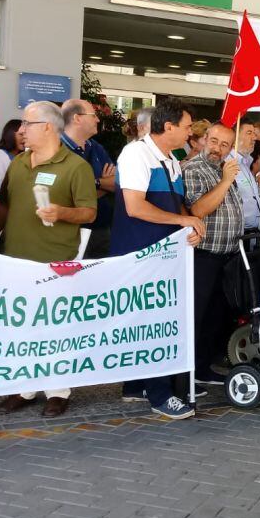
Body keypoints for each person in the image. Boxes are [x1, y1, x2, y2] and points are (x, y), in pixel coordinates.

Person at [0, 101, 97, 417]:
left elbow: (89, 212)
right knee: (20, 327)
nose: (21, 130)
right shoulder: (17, 164)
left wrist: (62, 212)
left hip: (57, 262)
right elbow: (4, 206)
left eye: (27, 124)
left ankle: (58, 391)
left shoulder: (76, 167)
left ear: (48, 127)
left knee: (55, 327)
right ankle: (25, 389)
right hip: (16, 261)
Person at [109, 97, 205, 419]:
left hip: (163, 255)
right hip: (139, 255)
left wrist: (187, 226)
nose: (191, 132)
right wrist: (182, 221)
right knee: (153, 322)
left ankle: (135, 386)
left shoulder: (173, 159)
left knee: (149, 321)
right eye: (188, 126)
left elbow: (174, 207)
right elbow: (135, 207)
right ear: (168, 127)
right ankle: (160, 395)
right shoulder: (136, 154)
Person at [182, 122, 246, 388]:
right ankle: (186, 375)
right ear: (203, 139)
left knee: (215, 317)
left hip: (227, 255)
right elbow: (198, 209)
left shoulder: (223, 168)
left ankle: (203, 367)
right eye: (214, 141)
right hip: (203, 256)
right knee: (196, 316)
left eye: (225, 145)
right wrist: (227, 180)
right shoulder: (193, 169)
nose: (218, 149)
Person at [60, 98, 117, 259]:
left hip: (101, 229)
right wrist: (101, 185)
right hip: (70, 231)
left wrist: (93, 183)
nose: (98, 119)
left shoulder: (96, 147)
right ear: (77, 118)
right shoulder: (57, 149)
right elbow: (67, 194)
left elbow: (116, 183)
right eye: (93, 115)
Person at [232, 119, 260, 232]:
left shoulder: (245, 163)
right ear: (235, 136)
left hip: (252, 232)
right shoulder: (228, 163)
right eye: (249, 133)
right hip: (237, 232)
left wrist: (258, 186)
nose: (254, 137)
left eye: (254, 133)